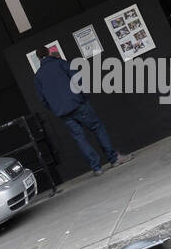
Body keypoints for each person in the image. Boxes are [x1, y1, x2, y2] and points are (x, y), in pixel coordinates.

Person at [34, 46, 133, 176]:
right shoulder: (61, 63)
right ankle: (113, 159)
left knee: (80, 139)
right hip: (78, 104)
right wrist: (84, 97)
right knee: (98, 128)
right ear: (49, 52)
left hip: (63, 113)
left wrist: (56, 109)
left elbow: (43, 100)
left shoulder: (38, 76)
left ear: (39, 58)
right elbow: (78, 79)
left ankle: (96, 168)